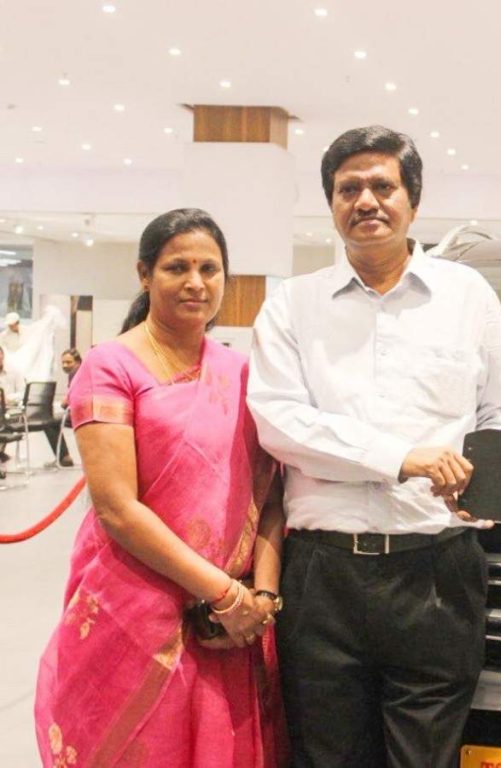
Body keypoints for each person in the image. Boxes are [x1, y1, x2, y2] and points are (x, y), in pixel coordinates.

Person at [248, 125, 501, 767]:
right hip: (324, 577)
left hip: (438, 569)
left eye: (383, 186)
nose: (366, 201)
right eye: (348, 188)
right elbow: (279, 421)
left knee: (426, 758)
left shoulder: (467, 297)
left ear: (413, 200)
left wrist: (488, 483)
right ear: (330, 203)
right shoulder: (291, 306)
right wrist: (401, 457)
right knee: (327, 757)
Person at [35, 208, 287, 767]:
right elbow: (118, 509)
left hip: (230, 627)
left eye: (209, 268)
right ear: (144, 274)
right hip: (137, 610)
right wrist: (225, 594)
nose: (196, 282)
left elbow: (271, 497)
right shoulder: (109, 368)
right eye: (177, 267)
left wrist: (260, 602)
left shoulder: (243, 373)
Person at [0, 345, 26, 464]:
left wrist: (7, 398)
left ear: (3, 356)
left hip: (12, 412)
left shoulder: (15, 372)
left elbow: (23, 393)